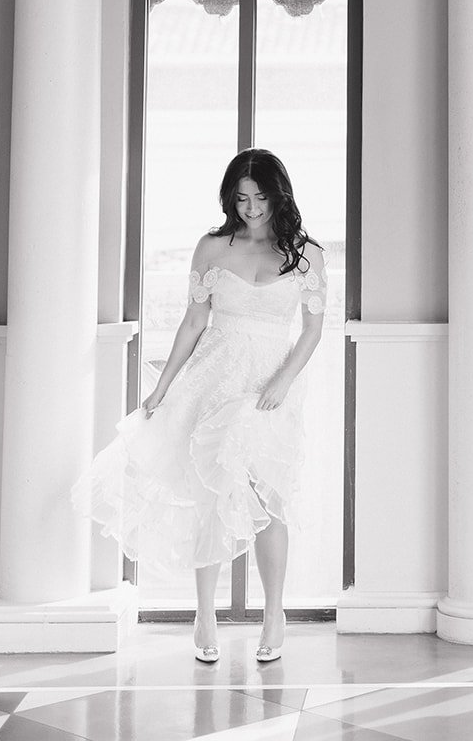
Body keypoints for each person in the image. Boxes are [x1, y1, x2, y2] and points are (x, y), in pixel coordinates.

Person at [76, 148, 327, 665]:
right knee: (212, 494)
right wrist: (163, 387)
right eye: (241, 198)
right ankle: (205, 614)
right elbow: (193, 323)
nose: (251, 208)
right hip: (213, 377)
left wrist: (281, 382)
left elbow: (312, 330)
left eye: (260, 197)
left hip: (271, 387)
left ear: (279, 195)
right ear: (229, 199)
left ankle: (273, 613)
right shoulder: (212, 248)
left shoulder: (305, 253)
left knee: (269, 497)